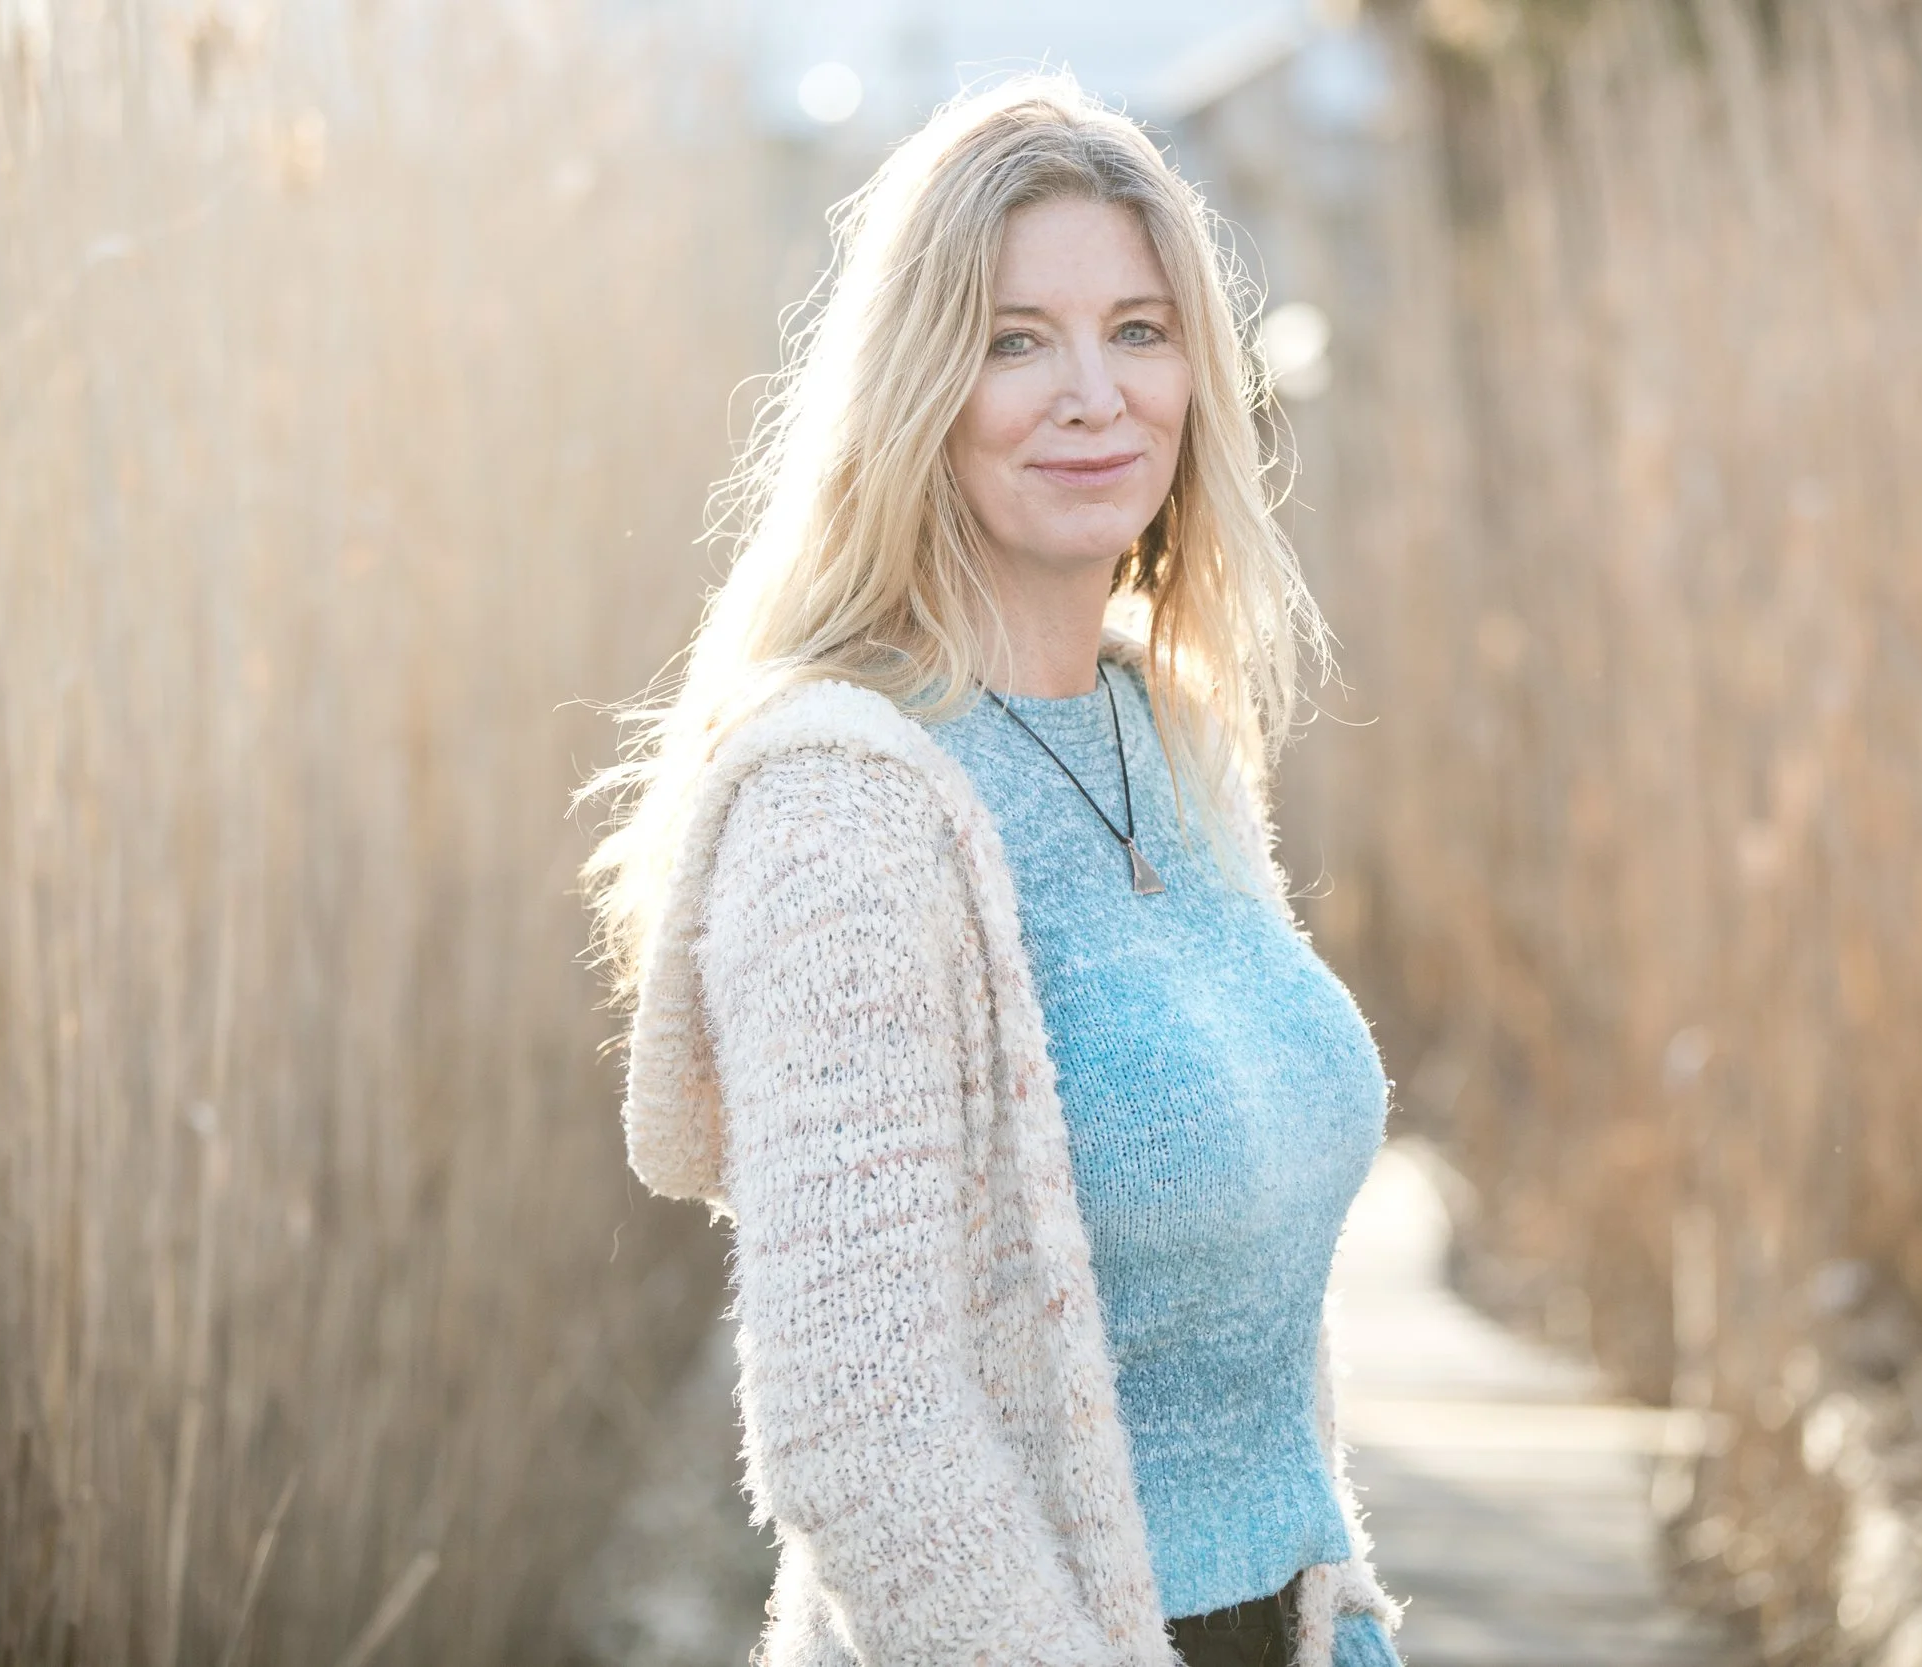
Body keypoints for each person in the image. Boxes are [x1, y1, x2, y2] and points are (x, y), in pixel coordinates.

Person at [582, 74, 1406, 1667]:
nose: (1093, 393)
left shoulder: (1171, 734)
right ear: (915, 391)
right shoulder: (843, 812)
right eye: (1013, 338)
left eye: (1140, 330)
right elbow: (858, 1426)